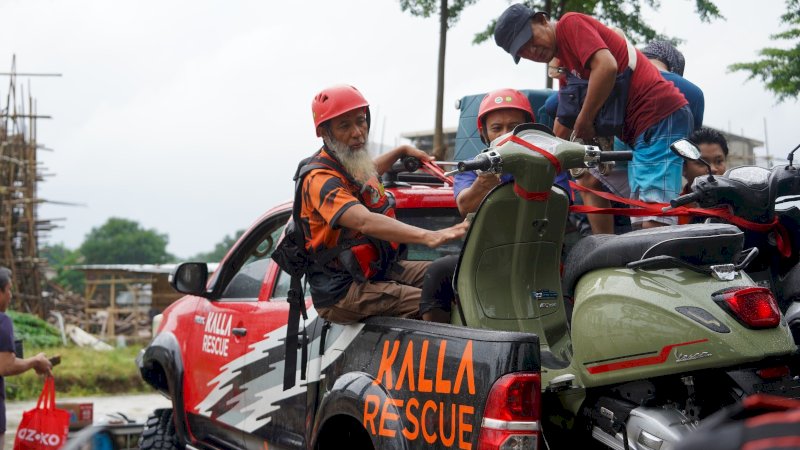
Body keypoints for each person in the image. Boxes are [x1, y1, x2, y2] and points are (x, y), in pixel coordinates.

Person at [494, 4, 693, 229]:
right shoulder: (566, 66)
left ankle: (661, 263)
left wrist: (585, 119)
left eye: (530, 40)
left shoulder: (570, 24)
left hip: (659, 116)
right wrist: (533, 161)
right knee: (627, 205)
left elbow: (606, 66)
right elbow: (565, 119)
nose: (532, 51)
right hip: (639, 132)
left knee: (654, 217)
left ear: (541, 20)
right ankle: (603, 249)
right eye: (523, 52)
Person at [303, 85, 468, 324]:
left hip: (378, 270)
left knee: (457, 278)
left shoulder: (346, 165)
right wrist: (429, 236)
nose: (358, 132)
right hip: (343, 291)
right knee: (437, 301)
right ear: (325, 133)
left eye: (361, 121)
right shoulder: (319, 179)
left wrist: (400, 150)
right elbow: (363, 220)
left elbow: (368, 171)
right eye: (344, 126)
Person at [453, 88, 571, 216]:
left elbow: (561, 207)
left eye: (513, 127)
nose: (505, 134)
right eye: (497, 128)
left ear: (528, 129)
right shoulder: (472, 167)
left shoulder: (548, 163)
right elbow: (464, 208)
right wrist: (483, 184)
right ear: (484, 133)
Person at [0, 267, 52, 449]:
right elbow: (5, 366)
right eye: (8, 289)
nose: (11, 295)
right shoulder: (2, 321)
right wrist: (35, 361)